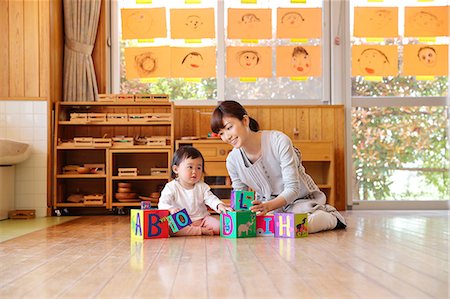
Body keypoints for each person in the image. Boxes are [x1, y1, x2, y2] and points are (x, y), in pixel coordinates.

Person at [210, 100, 347, 233]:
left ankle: (332, 218)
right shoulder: (232, 161)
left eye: (229, 128)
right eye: (221, 133)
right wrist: (235, 214)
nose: (227, 136)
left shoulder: (278, 141)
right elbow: (241, 198)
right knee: (273, 226)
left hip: (300, 202)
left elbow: (293, 189)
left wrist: (268, 207)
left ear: (245, 121)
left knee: (298, 223)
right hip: (266, 208)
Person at [158, 146, 232, 236]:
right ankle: (200, 231)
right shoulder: (171, 187)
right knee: (170, 228)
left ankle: (197, 229)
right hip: (182, 221)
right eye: (190, 167)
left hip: (202, 219)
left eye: (199, 168)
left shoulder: (202, 186)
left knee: (221, 227)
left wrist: (219, 205)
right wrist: (170, 209)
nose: (195, 172)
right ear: (176, 169)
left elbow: (211, 198)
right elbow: (162, 203)